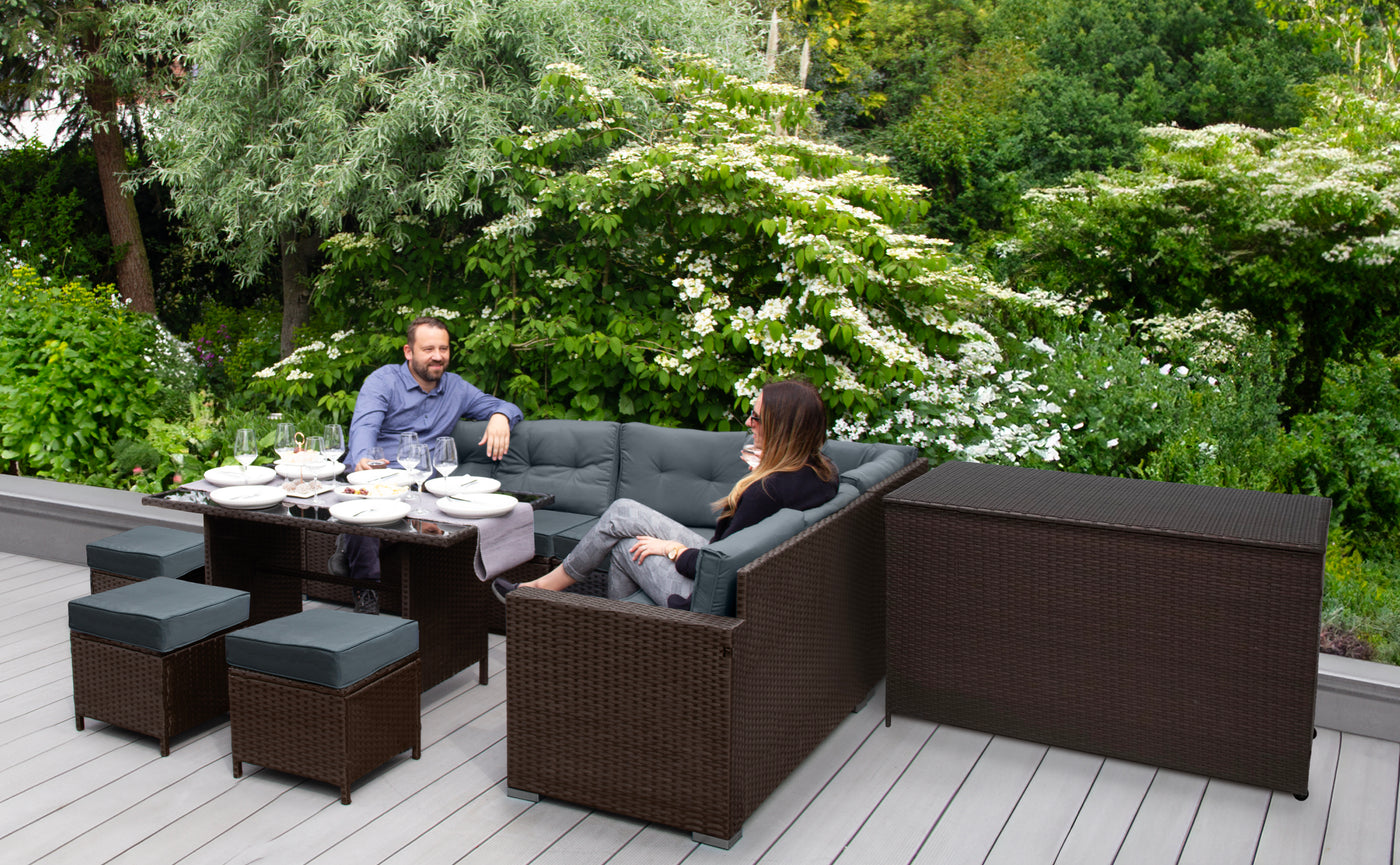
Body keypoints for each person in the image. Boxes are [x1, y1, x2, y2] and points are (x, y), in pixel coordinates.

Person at [490, 379, 837, 609]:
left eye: (756, 418)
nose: (748, 423)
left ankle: (605, 628)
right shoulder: (821, 473)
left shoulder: (767, 489)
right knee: (623, 512)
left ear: (782, 428)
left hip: (708, 596)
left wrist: (673, 549)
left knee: (628, 547)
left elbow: (720, 566)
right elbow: (733, 549)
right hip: (740, 578)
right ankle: (546, 592)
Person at [330, 315, 523, 613]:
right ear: (409, 352)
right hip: (378, 476)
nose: (437, 356)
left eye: (443, 349)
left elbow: (504, 406)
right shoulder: (384, 380)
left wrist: (501, 417)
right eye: (428, 349)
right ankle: (366, 596)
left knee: (463, 515)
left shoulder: (456, 388)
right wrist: (363, 458)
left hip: (423, 485)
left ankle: (349, 547)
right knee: (371, 515)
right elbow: (364, 427)